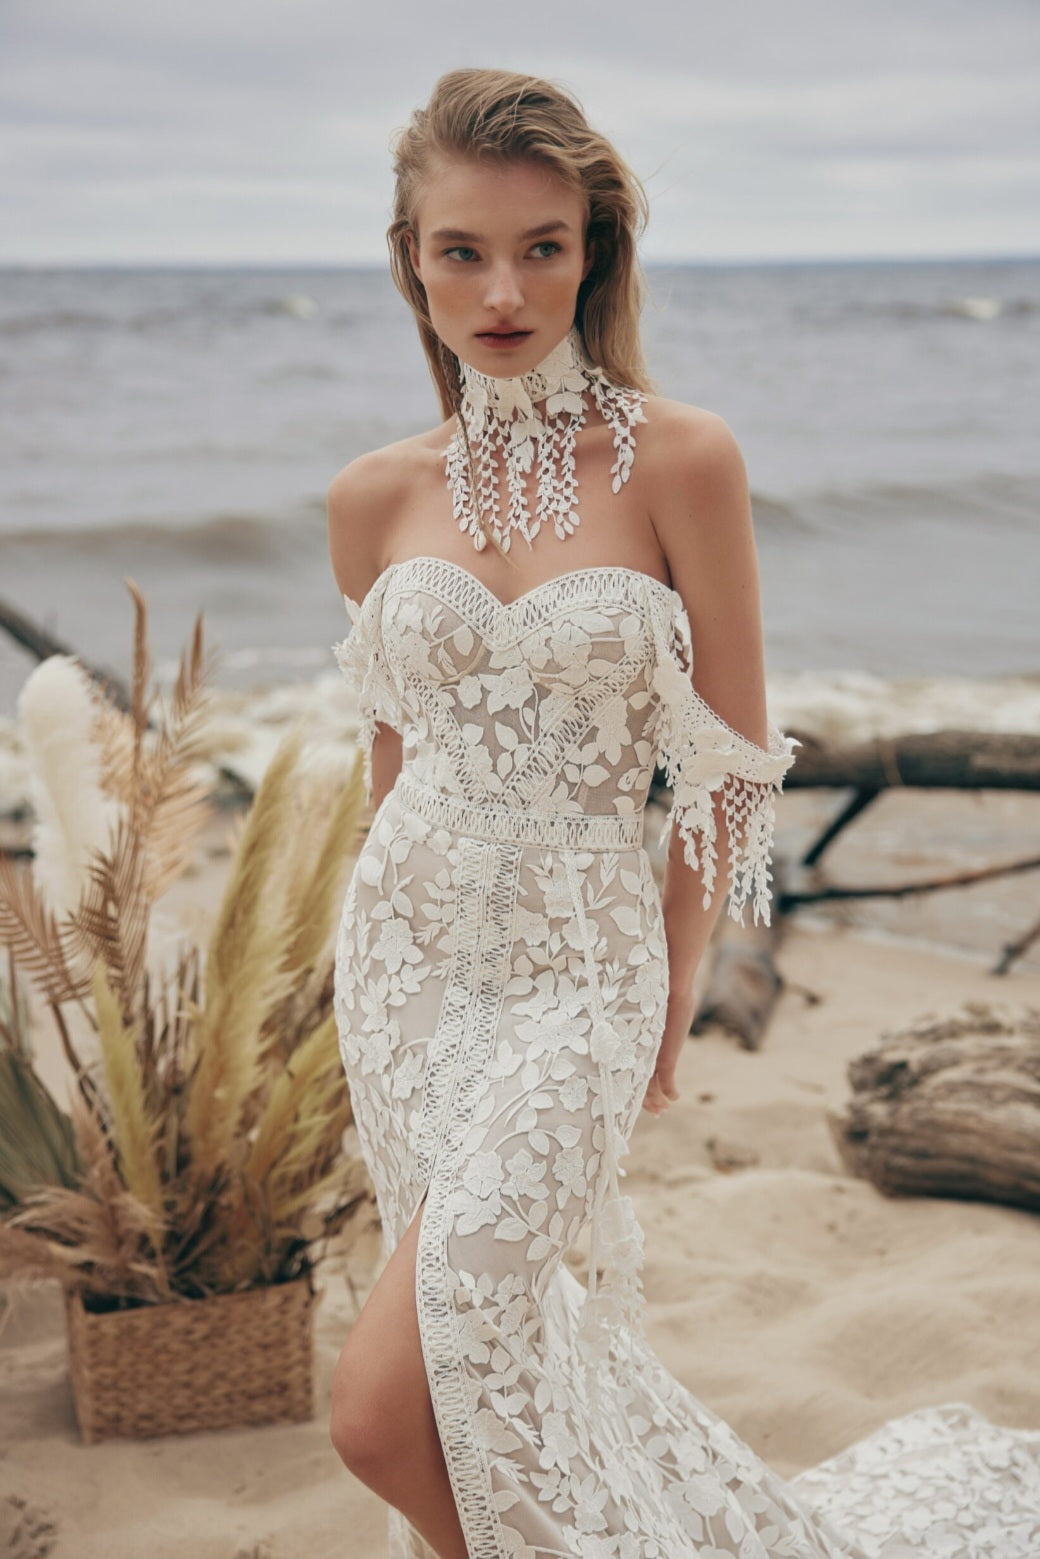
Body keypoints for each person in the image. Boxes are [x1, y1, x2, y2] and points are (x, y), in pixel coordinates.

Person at [325, 68, 1040, 1559]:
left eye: (543, 246)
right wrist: (360, 959)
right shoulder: (370, 496)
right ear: (412, 258)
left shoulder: (681, 460)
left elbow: (727, 762)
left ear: (595, 254)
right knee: (483, 1370)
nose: (505, 287)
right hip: (403, 980)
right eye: (463, 249)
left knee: (382, 1412)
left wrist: (672, 985)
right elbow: (396, 757)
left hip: (582, 980)